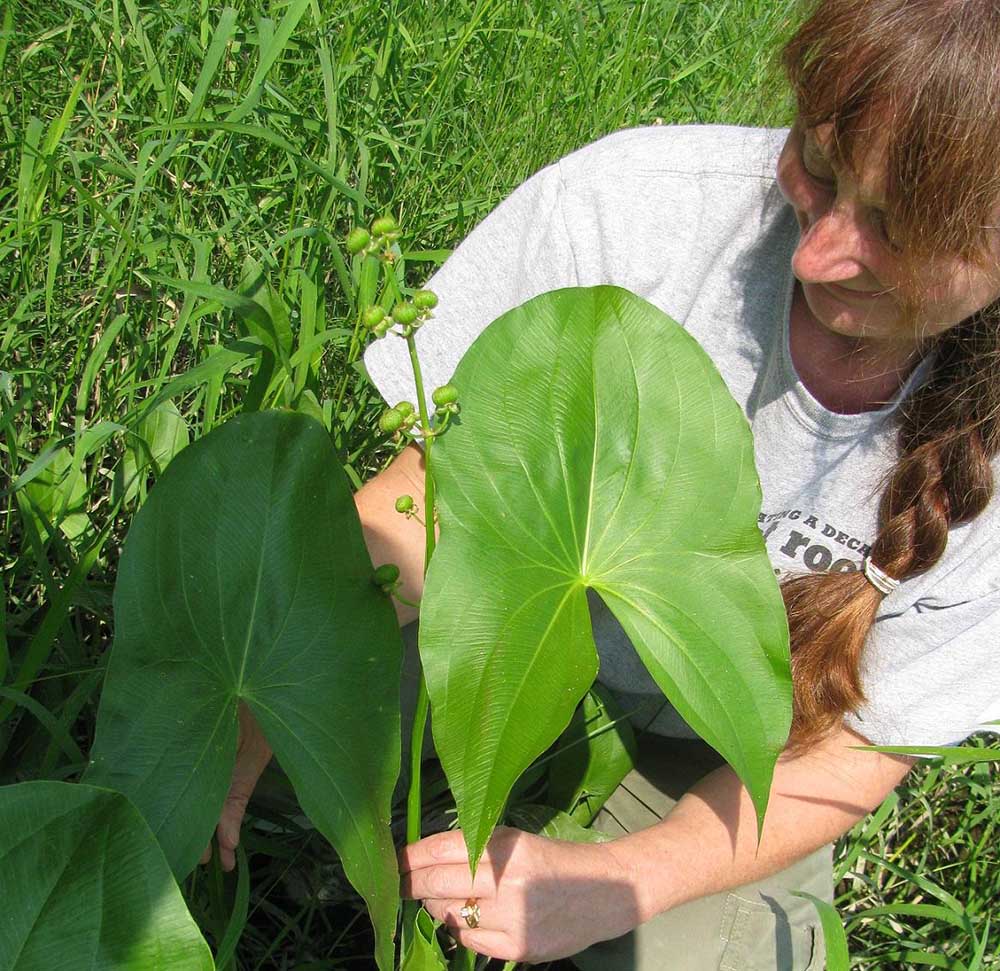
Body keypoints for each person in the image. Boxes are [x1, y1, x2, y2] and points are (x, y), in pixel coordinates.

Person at [205, 1, 1000, 967]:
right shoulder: (633, 211)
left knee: (701, 954)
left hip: (726, 757)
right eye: (819, 170)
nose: (816, 253)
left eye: (896, 230)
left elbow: (859, 748)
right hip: (504, 625)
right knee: (250, 739)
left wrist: (624, 881)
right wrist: (266, 691)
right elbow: (426, 504)